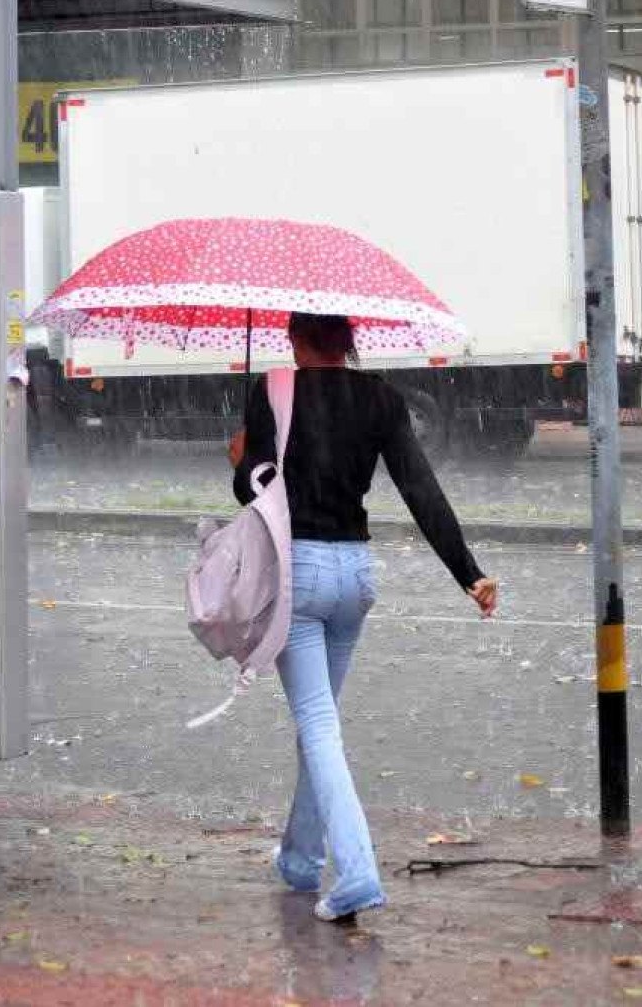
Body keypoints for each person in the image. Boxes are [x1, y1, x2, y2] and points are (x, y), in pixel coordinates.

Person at [229, 312, 497, 925]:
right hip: (355, 578)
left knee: (319, 728)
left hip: (299, 575)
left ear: (296, 340)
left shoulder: (272, 390)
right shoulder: (381, 397)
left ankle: (356, 873)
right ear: (348, 343)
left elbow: (255, 493)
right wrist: (469, 573)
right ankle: (300, 859)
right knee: (317, 724)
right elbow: (419, 487)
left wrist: (240, 461)